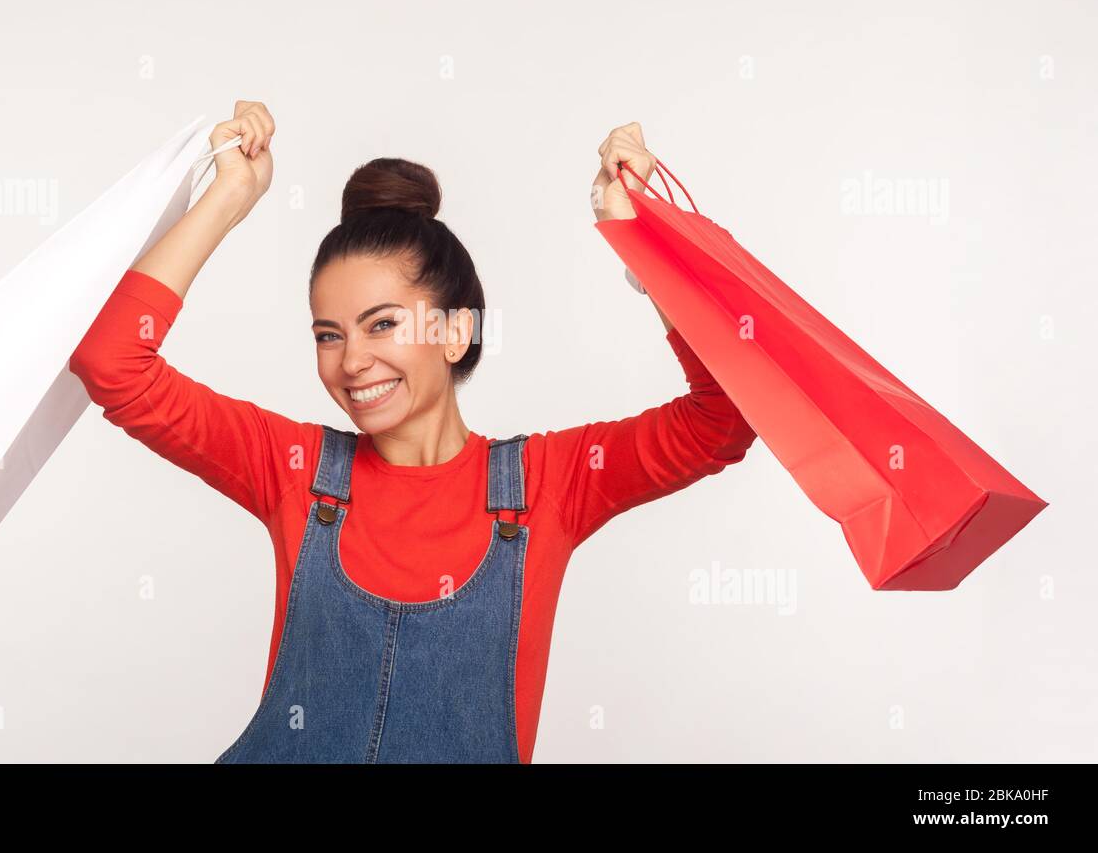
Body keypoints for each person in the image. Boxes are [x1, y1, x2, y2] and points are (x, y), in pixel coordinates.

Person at [69, 101, 758, 763]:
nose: (352, 361)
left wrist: (642, 244)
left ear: (457, 332)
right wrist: (227, 199)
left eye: (383, 324)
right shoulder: (290, 467)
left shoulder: (553, 483)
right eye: (328, 334)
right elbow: (112, 362)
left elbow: (726, 417)